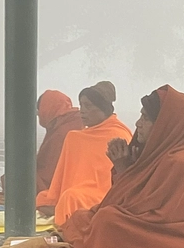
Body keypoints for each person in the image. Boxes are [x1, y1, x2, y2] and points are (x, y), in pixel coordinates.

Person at [57, 85, 184, 248]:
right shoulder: (162, 154)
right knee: (85, 217)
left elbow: (149, 212)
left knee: (106, 220)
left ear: (164, 125)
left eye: (145, 118)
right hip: (159, 232)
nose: (137, 123)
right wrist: (123, 166)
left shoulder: (180, 162)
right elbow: (133, 202)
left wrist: (123, 169)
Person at [35, 80, 131, 226]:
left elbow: (120, 178)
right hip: (77, 191)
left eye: (88, 106)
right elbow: (64, 178)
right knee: (46, 198)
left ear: (103, 109)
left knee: (70, 197)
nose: (82, 111)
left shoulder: (119, 135)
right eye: (81, 106)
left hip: (105, 195)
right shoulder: (74, 137)